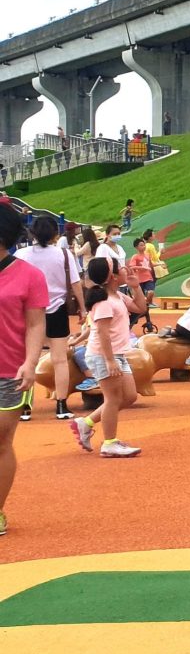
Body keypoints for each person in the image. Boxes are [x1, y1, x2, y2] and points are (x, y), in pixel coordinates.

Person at [0, 208, 48, 532]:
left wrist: (30, 363)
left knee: (1, 439)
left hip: (10, 370)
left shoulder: (29, 276)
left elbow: (35, 324)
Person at [72, 256, 139, 458]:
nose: (125, 269)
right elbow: (103, 333)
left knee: (129, 396)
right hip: (104, 355)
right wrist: (110, 361)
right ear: (112, 276)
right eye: (120, 268)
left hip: (116, 354)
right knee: (112, 399)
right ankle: (109, 442)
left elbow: (140, 308)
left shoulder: (117, 296)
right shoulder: (104, 302)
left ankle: (86, 423)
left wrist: (136, 287)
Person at [21, 215, 81, 423]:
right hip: (57, 309)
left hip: (29, 311)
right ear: (57, 233)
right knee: (59, 359)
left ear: (32, 233)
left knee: (28, 358)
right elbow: (75, 283)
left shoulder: (22, 255)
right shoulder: (64, 255)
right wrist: (82, 308)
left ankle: (24, 407)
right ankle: (61, 405)